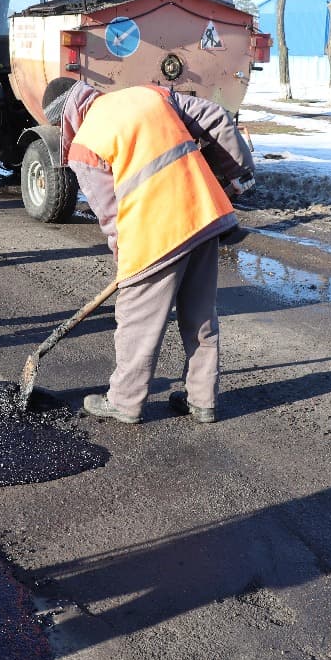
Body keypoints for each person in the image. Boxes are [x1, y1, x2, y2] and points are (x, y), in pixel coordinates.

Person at [44, 79, 255, 425]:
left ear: (64, 117)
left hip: (155, 233)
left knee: (136, 319)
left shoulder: (84, 146)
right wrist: (237, 174)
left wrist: (125, 263)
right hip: (202, 213)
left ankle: (125, 401)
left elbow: (111, 217)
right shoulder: (148, 94)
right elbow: (215, 116)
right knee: (199, 313)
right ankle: (202, 400)